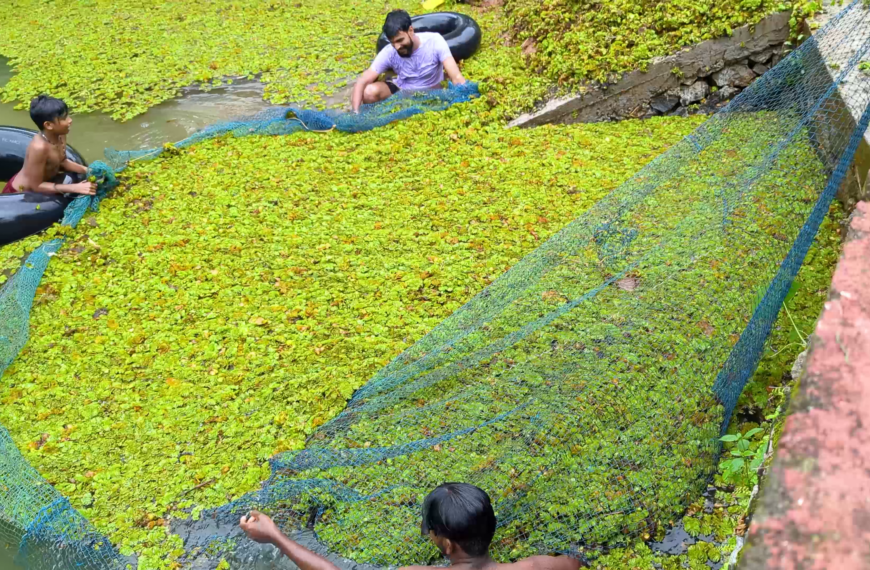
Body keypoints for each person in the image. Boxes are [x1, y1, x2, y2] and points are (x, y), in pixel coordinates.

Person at [240, 482, 582, 570]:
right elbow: (577, 564)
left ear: (447, 545)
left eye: (430, 530)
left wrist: (275, 535)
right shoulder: (545, 565)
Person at [351, 10, 467, 113]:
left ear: (411, 30)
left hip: (432, 93)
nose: (397, 47)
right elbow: (362, 80)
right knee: (369, 92)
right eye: (393, 43)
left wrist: (466, 98)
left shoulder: (434, 41)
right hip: (402, 92)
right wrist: (355, 113)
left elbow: (456, 76)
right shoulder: (389, 52)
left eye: (400, 40)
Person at [2, 95, 95, 196]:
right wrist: (75, 187)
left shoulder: (61, 135)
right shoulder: (39, 148)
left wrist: (88, 170)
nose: (70, 120)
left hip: (42, 184)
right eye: (64, 118)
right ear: (49, 125)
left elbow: (62, 161)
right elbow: (36, 186)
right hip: (21, 193)